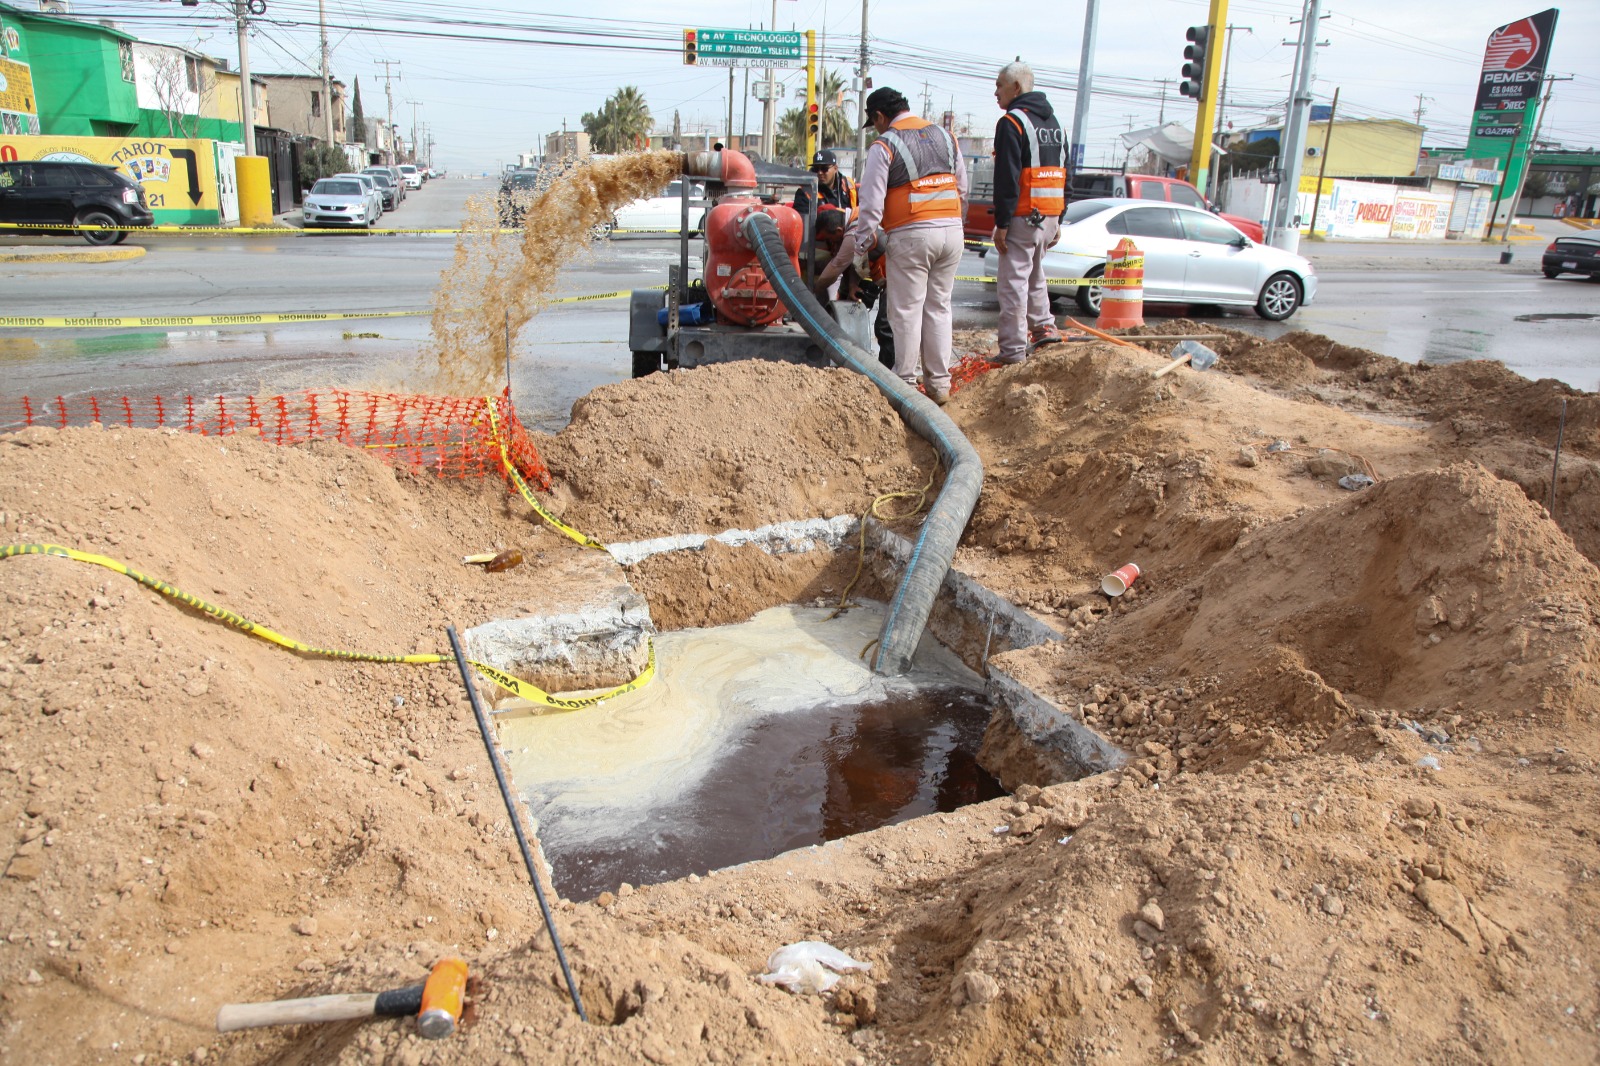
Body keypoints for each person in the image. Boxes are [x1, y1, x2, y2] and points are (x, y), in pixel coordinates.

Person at [818, 87, 967, 405]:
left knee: (907, 311)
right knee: (939, 307)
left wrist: (861, 243)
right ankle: (939, 385)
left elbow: (871, 203)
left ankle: (906, 385)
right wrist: (950, 219)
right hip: (952, 230)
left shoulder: (885, 144)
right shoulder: (945, 135)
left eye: (874, 123)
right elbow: (962, 187)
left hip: (912, 232)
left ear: (879, 116)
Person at [991, 61, 1068, 365]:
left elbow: (1007, 177)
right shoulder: (1055, 123)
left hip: (1023, 215)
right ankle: (1044, 328)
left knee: (1012, 284)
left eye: (999, 85)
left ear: (1016, 87)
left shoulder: (1013, 122)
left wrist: (1002, 222)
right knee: (1036, 275)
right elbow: (1065, 171)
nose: (995, 92)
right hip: (1049, 215)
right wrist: (1060, 215)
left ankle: (1011, 351)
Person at [793, 148, 857, 221]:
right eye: (816, 169)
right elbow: (802, 223)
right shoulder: (805, 192)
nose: (820, 173)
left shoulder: (848, 185)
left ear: (835, 168)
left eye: (824, 168)